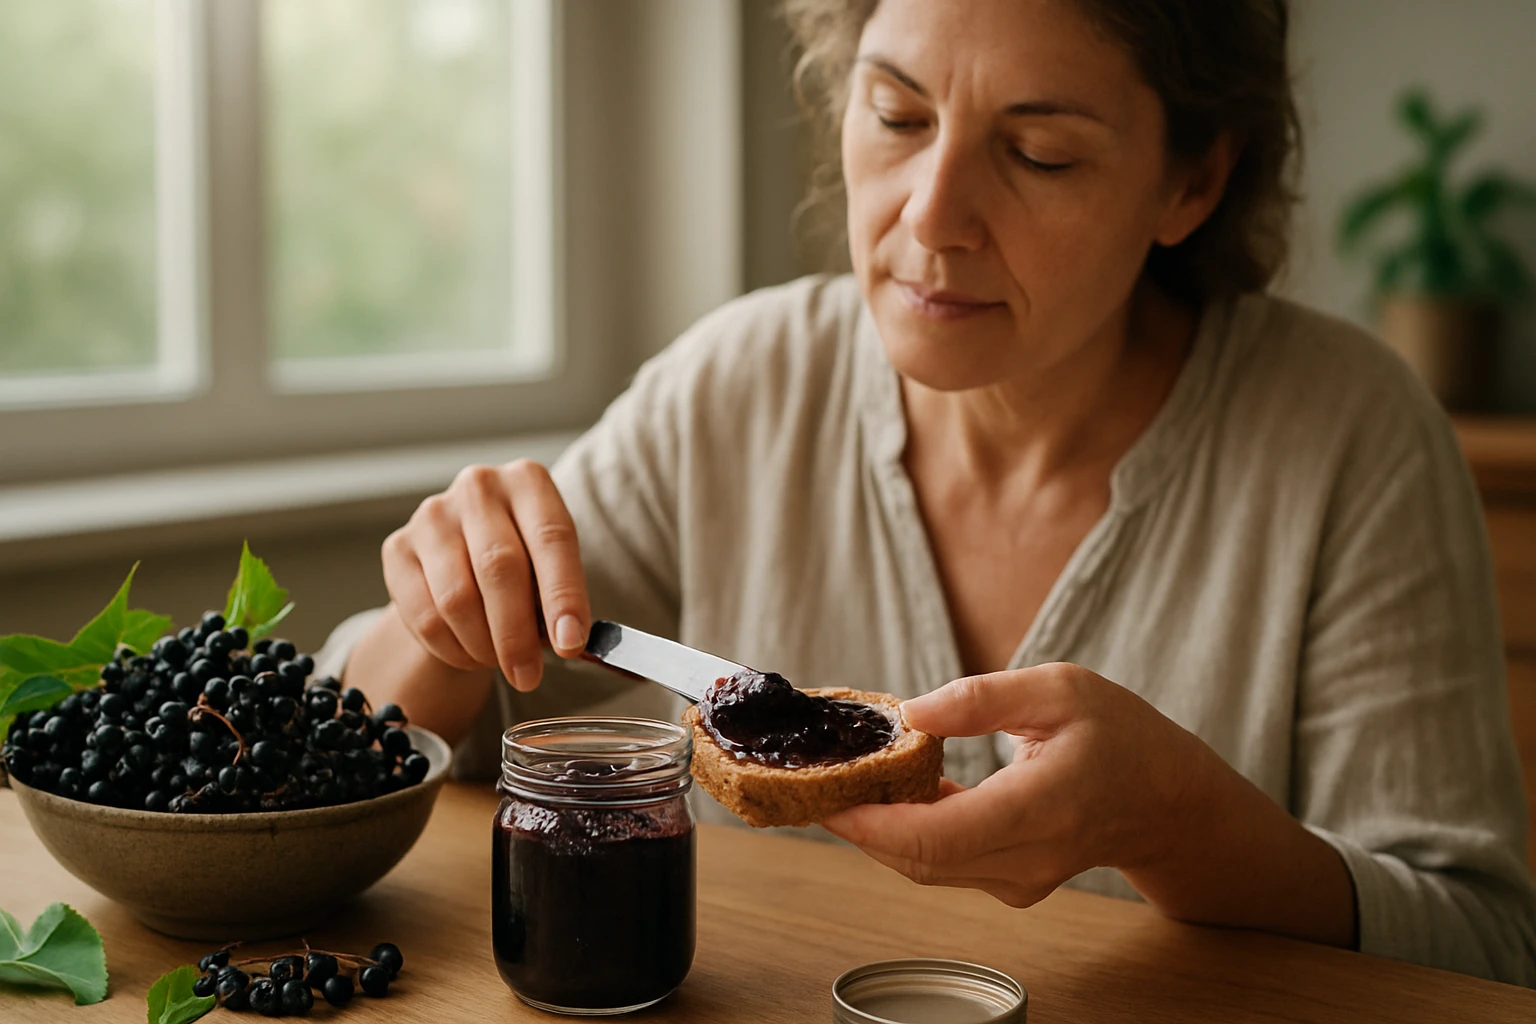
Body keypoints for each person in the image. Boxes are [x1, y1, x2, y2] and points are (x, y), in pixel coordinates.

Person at [318, 0, 1536, 985]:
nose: (932, 217)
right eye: (896, 115)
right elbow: (363, 743)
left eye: (1039, 152)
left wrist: (1178, 826)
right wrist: (441, 623)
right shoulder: (738, 388)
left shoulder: (1351, 434)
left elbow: (1483, 952)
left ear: (1193, 181)